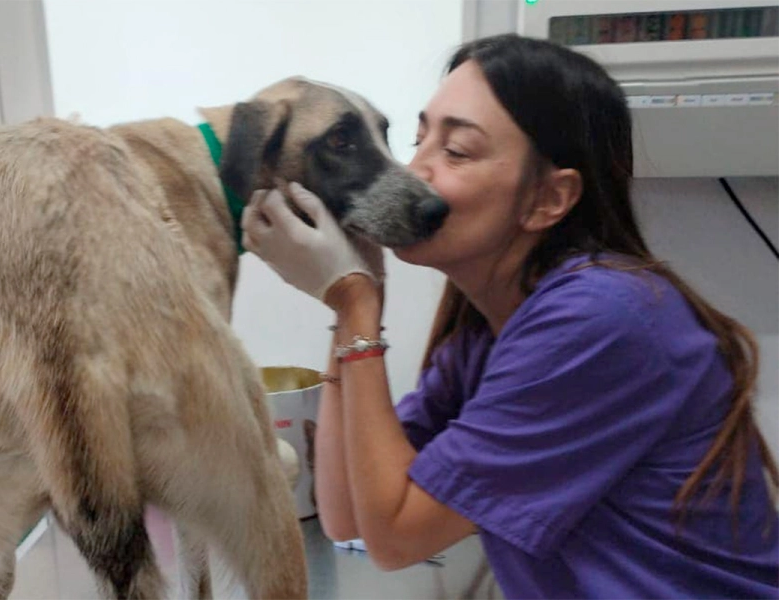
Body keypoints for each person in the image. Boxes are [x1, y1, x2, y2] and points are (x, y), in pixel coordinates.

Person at [240, 34, 779, 599]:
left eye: (456, 151)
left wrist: (356, 305)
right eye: (419, 140)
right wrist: (348, 291)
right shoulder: (488, 334)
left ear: (549, 199)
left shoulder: (600, 319)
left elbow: (396, 537)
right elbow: (347, 513)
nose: (412, 171)